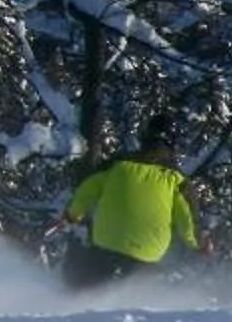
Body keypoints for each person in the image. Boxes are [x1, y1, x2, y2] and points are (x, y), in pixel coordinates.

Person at [60, 113, 214, 290]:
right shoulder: (176, 180)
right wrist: (201, 245)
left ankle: (70, 293)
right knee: (149, 285)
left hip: (105, 245)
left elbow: (86, 190)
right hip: (145, 256)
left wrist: (72, 216)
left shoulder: (116, 165)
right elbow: (189, 224)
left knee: (80, 272)